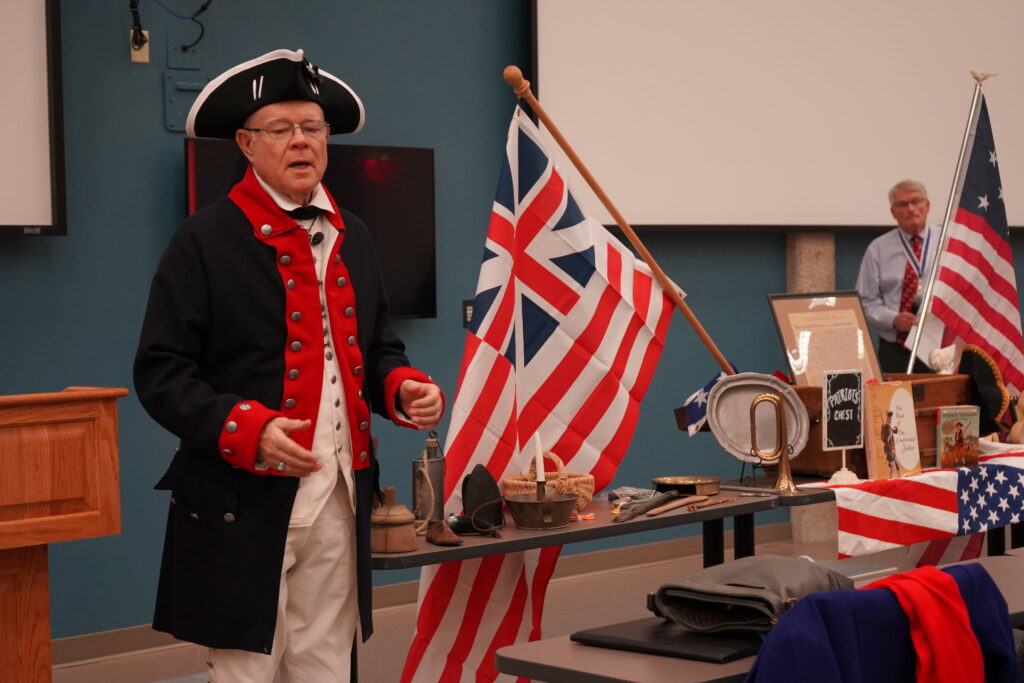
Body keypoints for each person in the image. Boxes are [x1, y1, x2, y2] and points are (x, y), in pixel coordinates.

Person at [133, 49, 444, 682]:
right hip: (239, 501)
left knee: (327, 667)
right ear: (246, 144)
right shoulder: (202, 240)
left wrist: (402, 385)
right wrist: (251, 429)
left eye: (312, 127)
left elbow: (376, 346)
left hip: (339, 495)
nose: (301, 140)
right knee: (248, 669)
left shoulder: (352, 231)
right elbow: (161, 372)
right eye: (281, 129)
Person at [856, 179, 942, 374]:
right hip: (896, 346)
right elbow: (865, 300)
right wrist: (893, 319)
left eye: (916, 201)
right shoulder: (878, 249)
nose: (910, 209)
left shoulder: (949, 240)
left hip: (940, 344)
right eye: (902, 204)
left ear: (927, 206)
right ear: (893, 213)